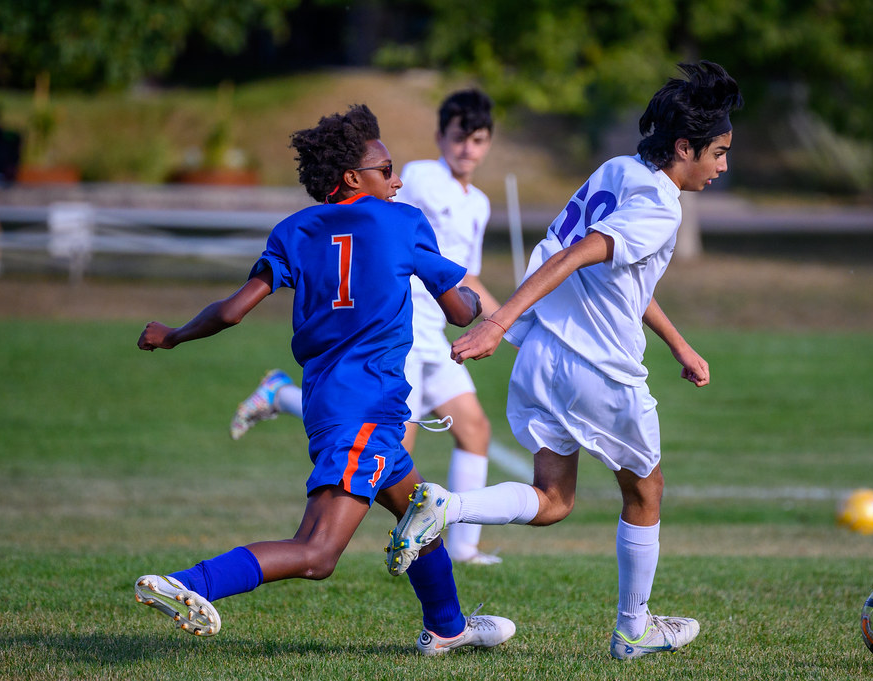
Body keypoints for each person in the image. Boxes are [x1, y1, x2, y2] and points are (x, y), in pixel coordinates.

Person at [385, 61, 743, 660]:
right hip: (598, 369)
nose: (723, 165)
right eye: (719, 152)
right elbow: (579, 254)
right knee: (646, 492)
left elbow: (621, 276)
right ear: (685, 146)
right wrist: (496, 322)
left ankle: (446, 505)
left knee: (553, 499)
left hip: (544, 358)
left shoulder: (617, 171)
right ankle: (633, 630)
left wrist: (679, 343)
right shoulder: (661, 204)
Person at [132, 104, 515, 656]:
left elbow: (233, 311)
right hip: (368, 408)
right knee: (317, 553)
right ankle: (190, 584)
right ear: (354, 178)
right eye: (387, 169)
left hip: (330, 404)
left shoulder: (294, 231)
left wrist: (173, 335)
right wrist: (477, 299)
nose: (398, 178)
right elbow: (459, 312)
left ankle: (448, 629)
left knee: (420, 510)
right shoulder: (404, 221)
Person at [229, 89, 503, 566]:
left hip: (434, 330)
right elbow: (374, 229)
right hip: (396, 327)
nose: (468, 149)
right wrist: (490, 315)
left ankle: (459, 563)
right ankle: (419, 543)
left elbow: (459, 270)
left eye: (478, 140)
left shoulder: (477, 202)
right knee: (387, 450)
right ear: (441, 137)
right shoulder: (418, 181)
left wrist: (500, 320)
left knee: (473, 430)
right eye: (460, 137)